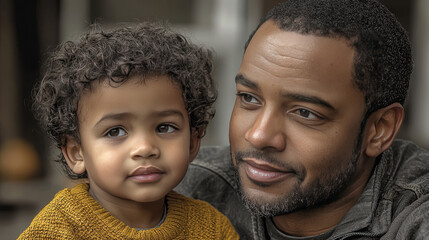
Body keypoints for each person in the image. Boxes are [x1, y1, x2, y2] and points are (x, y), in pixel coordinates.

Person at [175, 0, 429, 239]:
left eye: (305, 112)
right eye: (249, 98)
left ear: (379, 130)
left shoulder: (416, 215)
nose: (258, 135)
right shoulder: (181, 190)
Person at [19, 22, 239, 239]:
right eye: (115, 132)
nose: (145, 148)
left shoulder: (211, 228)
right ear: (77, 152)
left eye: (165, 127)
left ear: (192, 141)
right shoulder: (58, 230)